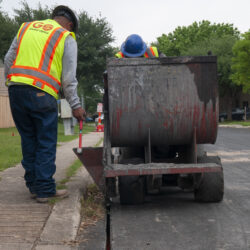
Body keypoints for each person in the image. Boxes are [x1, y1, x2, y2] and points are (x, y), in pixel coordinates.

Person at [4, 5, 85, 203]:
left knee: (28, 139)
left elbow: (8, 59)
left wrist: (12, 82)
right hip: (42, 93)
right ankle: (45, 190)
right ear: (70, 25)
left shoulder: (26, 27)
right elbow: (68, 78)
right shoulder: (65, 36)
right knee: (45, 141)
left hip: (16, 90)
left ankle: (33, 185)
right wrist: (75, 105)